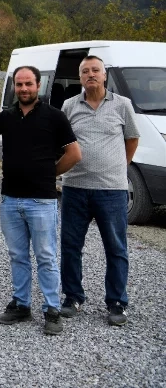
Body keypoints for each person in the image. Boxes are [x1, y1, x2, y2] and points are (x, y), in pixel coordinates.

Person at [0, 67, 81, 335]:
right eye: (19, 84)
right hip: (10, 200)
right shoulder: (8, 117)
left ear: (38, 85)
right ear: (14, 87)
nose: (23, 89)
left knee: (46, 256)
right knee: (17, 255)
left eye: (28, 84)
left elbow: (74, 153)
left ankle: (52, 310)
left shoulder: (54, 116)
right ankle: (21, 305)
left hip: (42, 201)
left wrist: (50, 173)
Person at [60, 55, 139, 326]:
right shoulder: (69, 105)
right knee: (71, 246)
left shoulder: (123, 105)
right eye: (85, 71)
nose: (91, 74)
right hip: (75, 189)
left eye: (96, 70)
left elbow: (132, 139)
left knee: (116, 248)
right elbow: (63, 141)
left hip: (112, 191)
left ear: (105, 75)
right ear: (80, 77)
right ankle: (72, 297)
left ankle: (117, 302)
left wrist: (117, 167)